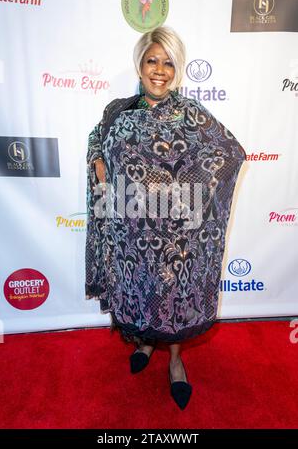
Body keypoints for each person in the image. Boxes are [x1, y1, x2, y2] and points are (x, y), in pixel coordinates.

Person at [85, 26, 246, 410]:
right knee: (139, 285)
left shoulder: (191, 113)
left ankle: (174, 360)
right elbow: (96, 138)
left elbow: (229, 153)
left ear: (177, 69)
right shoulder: (117, 111)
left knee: (173, 293)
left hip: (176, 230)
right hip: (130, 227)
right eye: (152, 60)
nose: (160, 70)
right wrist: (98, 161)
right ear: (139, 65)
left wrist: (183, 192)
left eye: (168, 63)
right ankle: (143, 341)